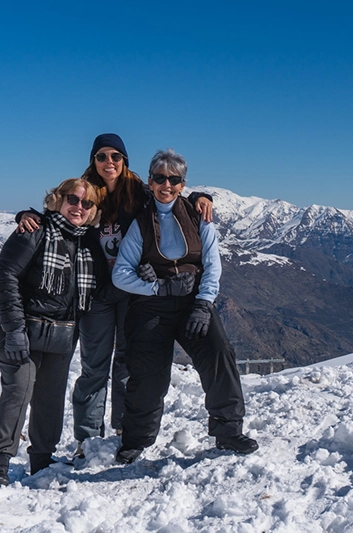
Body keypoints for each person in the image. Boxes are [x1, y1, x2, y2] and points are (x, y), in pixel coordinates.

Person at [17, 133, 213, 460]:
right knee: (94, 366)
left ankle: (124, 432)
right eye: (102, 156)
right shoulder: (82, 192)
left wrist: (201, 197)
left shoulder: (138, 190)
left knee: (126, 363)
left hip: (132, 291)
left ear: (125, 161)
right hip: (96, 294)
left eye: (116, 157)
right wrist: (25, 215)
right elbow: (54, 213)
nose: (109, 163)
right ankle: (88, 439)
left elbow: (171, 194)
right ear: (93, 160)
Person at [111, 148, 258, 464]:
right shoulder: (140, 223)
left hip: (193, 303)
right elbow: (121, 273)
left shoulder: (198, 216)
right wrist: (156, 286)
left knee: (219, 356)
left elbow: (212, 264)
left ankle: (228, 432)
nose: (167, 185)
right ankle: (136, 440)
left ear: (183, 184)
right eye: (160, 178)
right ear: (150, 182)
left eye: (174, 179)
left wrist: (204, 305)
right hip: (151, 306)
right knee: (147, 374)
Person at [0, 178, 102, 486]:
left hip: (59, 332)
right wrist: (14, 329)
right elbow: (5, 276)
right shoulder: (34, 231)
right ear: (57, 200)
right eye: (72, 200)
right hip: (17, 327)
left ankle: (42, 460)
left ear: (93, 211)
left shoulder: (88, 242)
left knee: (50, 397)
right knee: (20, 387)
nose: (78, 207)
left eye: (86, 203)